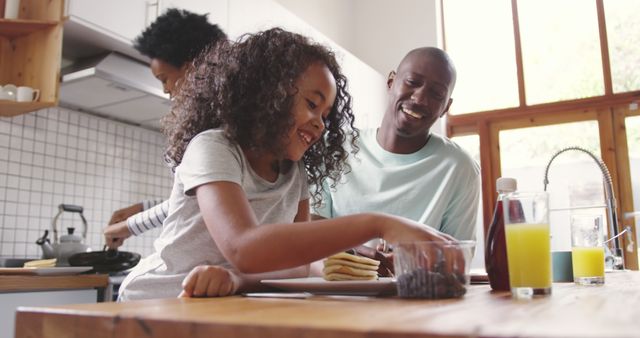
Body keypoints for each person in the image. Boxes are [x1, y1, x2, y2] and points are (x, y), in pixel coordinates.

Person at [119, 28, 455, 301]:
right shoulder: (214, 147)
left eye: (326, 115)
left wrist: (237, 280)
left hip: (217, 306)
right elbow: (244, 247)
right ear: (267, 93)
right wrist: (378, 223)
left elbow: (297, 266)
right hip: (155, 302)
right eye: (312, 104)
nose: (321, 124)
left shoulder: (295, 177)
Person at [312, 47, 480, 274]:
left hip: (416, 299)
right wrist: (359, 256)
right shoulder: (334, 149)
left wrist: (408, 263)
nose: (420, 98)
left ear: (446, 108)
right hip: (336, 296)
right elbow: (308, 229)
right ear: (391, 82)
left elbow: (458, 257)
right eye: (412, 82)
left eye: (437, 94)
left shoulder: (459, 167)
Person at [104, 8, 227, 248]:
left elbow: (206, 203)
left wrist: (130, 225)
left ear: (196, 68)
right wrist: (142, 211)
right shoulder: (218, 122)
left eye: (164, 78)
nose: (165, 90)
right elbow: (195, 198)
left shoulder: (214, 135)